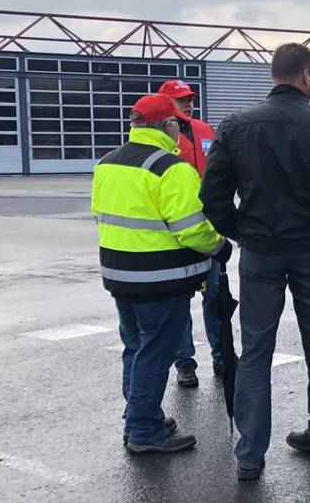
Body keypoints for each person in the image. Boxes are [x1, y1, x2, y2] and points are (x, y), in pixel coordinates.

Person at [200, 43, 310, 480]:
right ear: (307, 76)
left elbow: (212, 195)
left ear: (274, 75)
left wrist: (238, 229)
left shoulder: (236, 126)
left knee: (257, 350)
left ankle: (250, 454)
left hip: (259, 251)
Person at [93, 94, 231, 454]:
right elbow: (191, 228)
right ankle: (144, 431)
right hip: (159, 278)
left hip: (119, 274)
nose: (180, 128)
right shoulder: (171, 168)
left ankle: (140, 415)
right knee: (156, 350)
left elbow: (100, 213)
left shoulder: (108, 163)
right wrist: (220, 246)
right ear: (165, 126)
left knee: (135, 346)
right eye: (176, 123)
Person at [158, 79, 221, 388]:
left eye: (190, 98)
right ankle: (185, 363)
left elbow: (219, 170)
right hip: (176, 234)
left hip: (207, 225)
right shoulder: (159, 139)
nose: (188, 103)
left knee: (216, 297)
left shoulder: (205, 130)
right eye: (181, 99)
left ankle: (222, 356)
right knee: (181, 303)